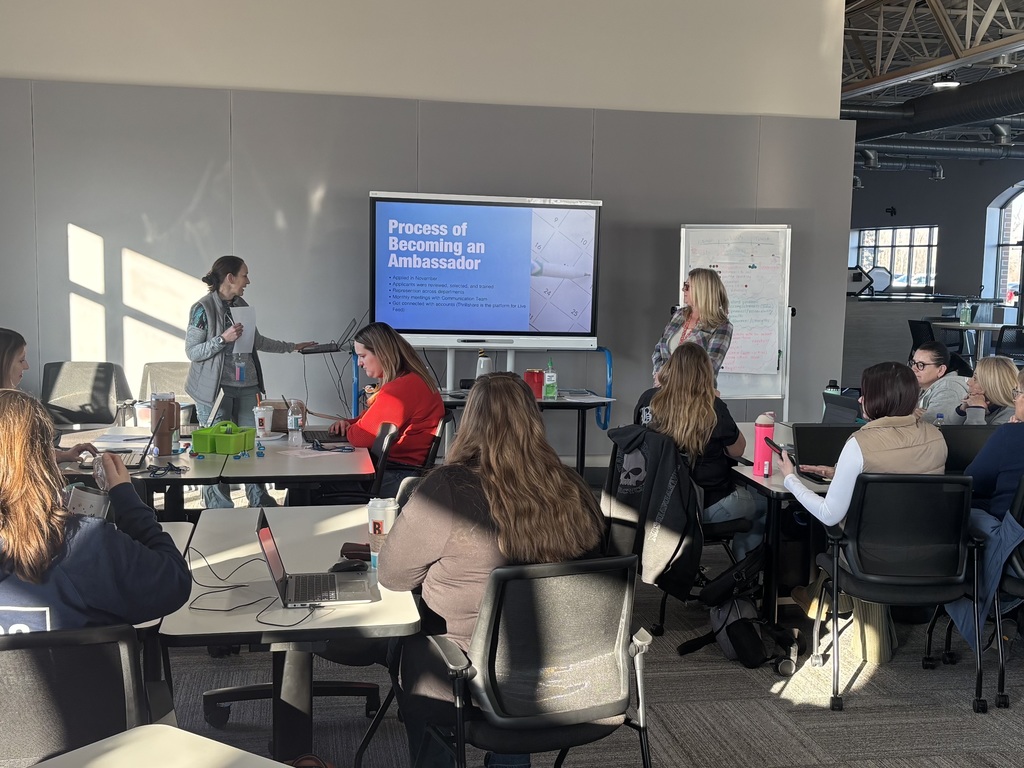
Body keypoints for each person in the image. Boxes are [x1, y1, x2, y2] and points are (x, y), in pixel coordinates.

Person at [378, 372, 606, 768]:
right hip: (566, 667)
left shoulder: (449, 488)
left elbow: (393, 577)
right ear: (533, 421)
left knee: (408, 641)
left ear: (470, 422)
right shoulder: (572, 485)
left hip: (466, 673)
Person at [781, 362, 947, 646]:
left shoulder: (861, 443)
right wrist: (840, 473)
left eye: (865, 393)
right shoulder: (936, 437)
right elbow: (903, 483)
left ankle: (820, 599)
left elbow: (829, 514)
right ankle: (819, 598)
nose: (859, 399)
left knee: (820, 526)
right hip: (928, 557)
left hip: (868, 558)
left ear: (880, 399)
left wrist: (790, 479)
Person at [0, 389, 191, 630]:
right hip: (76, 668)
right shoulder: (80, 545)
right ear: (42, 461)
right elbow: (173, 582)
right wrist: (126, 498)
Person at [184, 256, 314, 508]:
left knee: (252, 445)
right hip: (214, 392)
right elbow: (193, 352)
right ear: (230, 278)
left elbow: (258, 341)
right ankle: (219, 507)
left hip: (246, 388)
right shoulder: (201, 309)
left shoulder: (241, 305)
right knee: (215, 453)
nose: (248, 281)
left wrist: (293, 347)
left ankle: (258, 498)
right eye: (244, 275)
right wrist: (222, 339)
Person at [635, 342, 764, 559]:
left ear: (670, 368)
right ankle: (742, 575)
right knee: (764, 502)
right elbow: (737, 450)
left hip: (657, 503)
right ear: (705, 373)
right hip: (704, 503)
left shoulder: (647, 399)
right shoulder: (712, 406)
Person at [946, 368, 1024, 650]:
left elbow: (972, 479)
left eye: (1019, 394)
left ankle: (984, 609)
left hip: (1017, 554)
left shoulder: (1011, 435)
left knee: (954, 513)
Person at [328, 322, 444, 498]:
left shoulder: (401, 389)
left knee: (313, 484)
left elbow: (360, 437)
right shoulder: (411, 380)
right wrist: (348, 424)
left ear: (381, 354)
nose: (359, 363)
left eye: (362, 356)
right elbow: (365, 421)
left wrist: (353, 428)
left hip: (395, 476)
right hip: (403, 471)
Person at [0, 327, 96, 463]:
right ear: (3, 363)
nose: (26, 366)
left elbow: (25, 456)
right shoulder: (15, 410)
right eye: (21, 360)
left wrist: (63, 455)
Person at [651, 267, 732, 383]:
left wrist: (667, 379)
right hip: (663, 391)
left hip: (694, 396)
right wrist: (658, 374)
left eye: (687, 286)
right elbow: (659, 349)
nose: (683, 289)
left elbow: (709, 368)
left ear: (701, 290)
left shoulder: (721, 326)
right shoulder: (679, 315)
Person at [910, 340, 969, 424]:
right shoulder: (922, 386)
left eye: (921, 365)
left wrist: (909, 417)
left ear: (941, 370)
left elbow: (933, 428)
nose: (914, 369)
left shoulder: (948, 390)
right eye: (913, 363)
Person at [952, 355, 1018, 426]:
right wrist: (962, 411)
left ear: (991, 385)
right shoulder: (990, 407)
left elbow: (975, 436)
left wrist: (977, 409)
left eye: (975, 379)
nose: (968, 382)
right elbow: (947, 433)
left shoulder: (1012, 415)